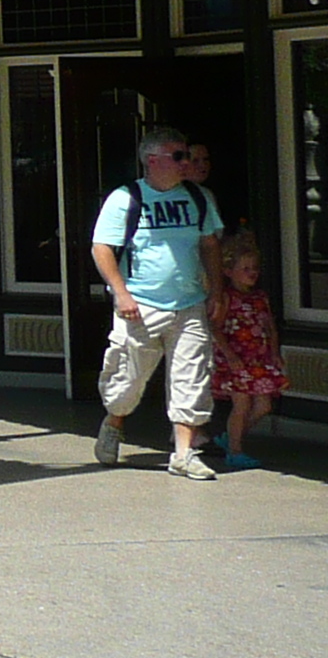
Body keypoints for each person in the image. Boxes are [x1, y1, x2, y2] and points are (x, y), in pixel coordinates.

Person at [90, 125, 224, 480]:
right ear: (153, 160)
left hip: (189, 303)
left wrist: (217, 292)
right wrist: (121, 293)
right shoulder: (126, 198)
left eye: (188, 156)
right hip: (141, 305)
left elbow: (210, 245)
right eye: (178, 156)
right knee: (128, 380)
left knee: (192, 377)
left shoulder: (199, 198)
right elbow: (102, 248)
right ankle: (115, 421)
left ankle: (184, 453)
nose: (187, 163)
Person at [209, 229, 285, 471]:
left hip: (258, 359)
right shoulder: (227, 298)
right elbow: (216, 328)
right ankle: (235, 450)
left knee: (263, 405)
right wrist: (230, 356)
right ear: (229, 272)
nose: (252, 273)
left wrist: (274, 353)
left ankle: (231, 437)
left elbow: (269, 327)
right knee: (241, 404)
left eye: (254, 268)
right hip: (236, 361)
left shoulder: (260, 297)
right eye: (246, 269)